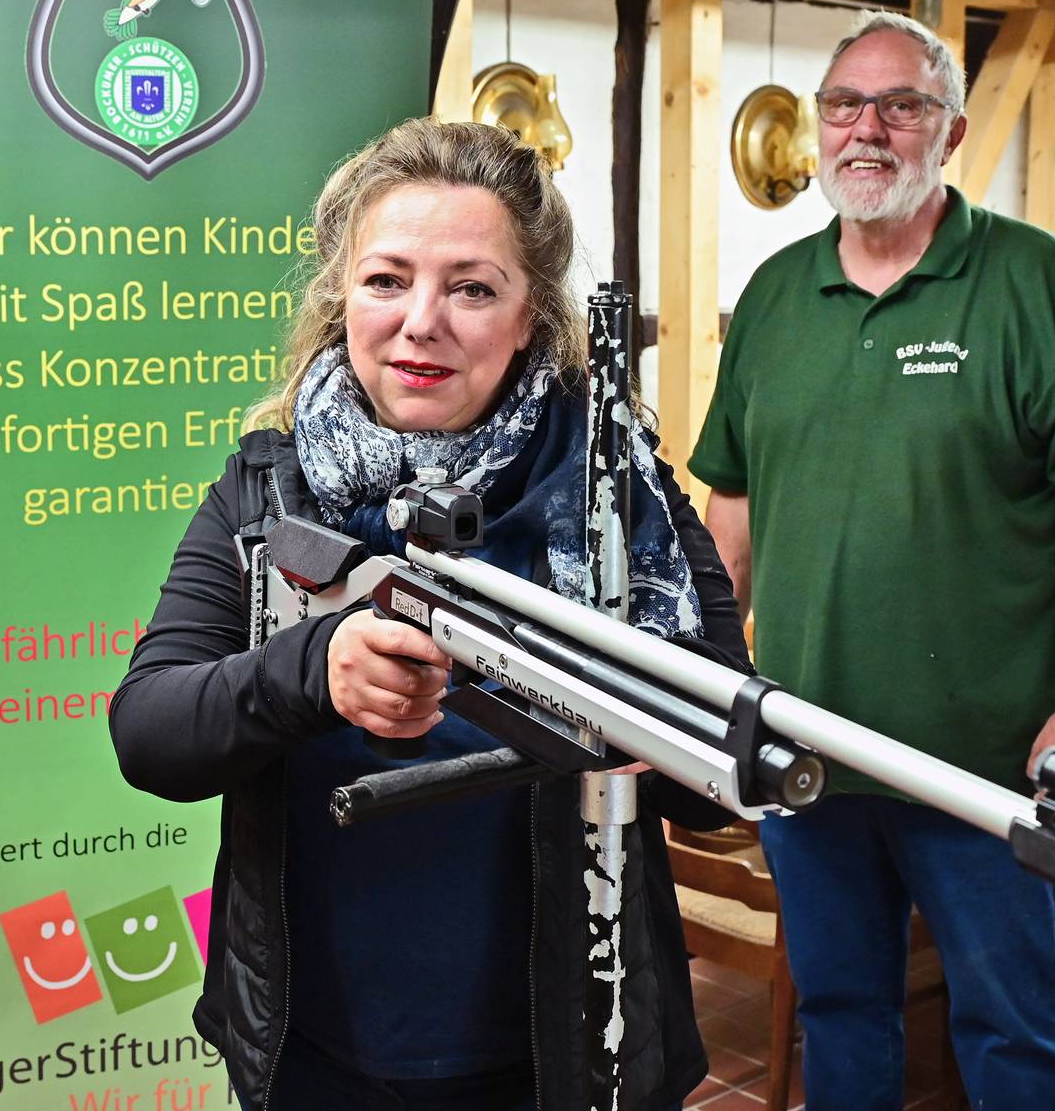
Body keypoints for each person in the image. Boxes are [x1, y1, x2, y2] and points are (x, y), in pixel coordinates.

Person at [112, 118, 749, 1111]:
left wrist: (639, 720)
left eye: (472, 286)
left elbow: (718, 784)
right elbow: (150, 731)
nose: (422, 320)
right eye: (387, 279)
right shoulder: (267, 488)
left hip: (570, 1059)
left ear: (531, 314)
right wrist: (312, 669)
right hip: (315, 1047)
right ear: (341, 296)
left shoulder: (623, 495)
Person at [691, 11, 1055, 1110]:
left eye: (903, 104)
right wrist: (694, 679)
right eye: (844, 104)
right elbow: (732, 512)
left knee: (1015, 1025)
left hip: (983, 761)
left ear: (952, 129)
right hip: (808, 747)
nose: (868, 128)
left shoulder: (1038, 283)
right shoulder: (775, 297)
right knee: (842, 1010)